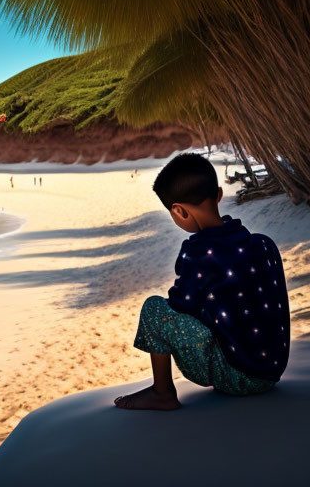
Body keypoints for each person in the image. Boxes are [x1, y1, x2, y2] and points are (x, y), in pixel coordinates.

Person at [114, 153, 290, 411]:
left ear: (179, 211)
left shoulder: (199, 253)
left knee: (154, 309)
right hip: (271, 372)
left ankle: (162, 392)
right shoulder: (263, 244)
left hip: (237, 376)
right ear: (218, 194)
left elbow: (180, 305)